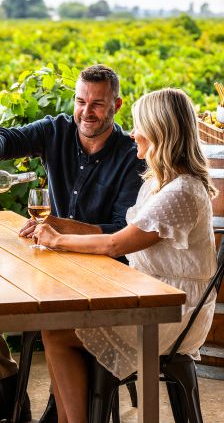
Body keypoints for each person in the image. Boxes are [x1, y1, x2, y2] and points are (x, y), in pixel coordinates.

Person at [0, 64, 145, 423]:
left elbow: (120, 232)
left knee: (51, 322)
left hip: (101, 271)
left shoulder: (130, 156)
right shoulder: (57, 130)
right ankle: (7, 388)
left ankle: (62, 406)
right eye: (80, 101)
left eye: (98, 104)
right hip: (50, 259)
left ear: (116, 105)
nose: (86, 112)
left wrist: (60, 227)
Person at [33, 87, 218, 423]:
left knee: (57, 334)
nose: (132, 133)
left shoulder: (182, 191)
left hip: (172, 310)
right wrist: (58, 227)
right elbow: (116, 237)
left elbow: (117, 244)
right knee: (55, 324)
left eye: (139, 125)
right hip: (148, 297)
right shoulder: (158, 182)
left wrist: (58, 240)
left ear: (161, 130)